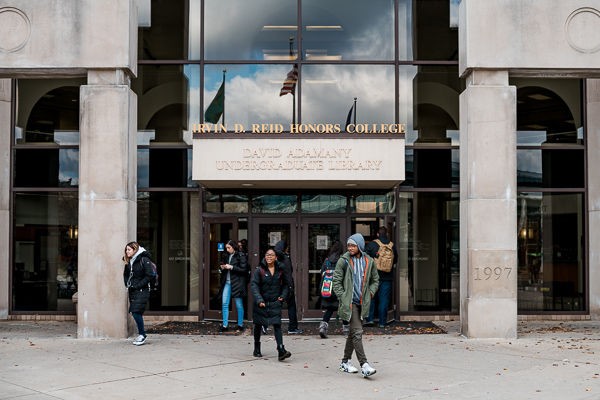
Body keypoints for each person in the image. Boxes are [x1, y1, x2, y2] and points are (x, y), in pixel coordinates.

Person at [332, 233, 379, 378]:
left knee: (353, 334)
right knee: (358, 332)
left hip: (362, 303)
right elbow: (336, 281)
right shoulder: (344, 261)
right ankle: (364, 365)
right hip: (350, 303)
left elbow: (375, 280)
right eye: (349, 245)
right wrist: (343, 298)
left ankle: (345, 362)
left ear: (360, 246)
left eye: (353, 245)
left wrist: (370, 293)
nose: (350, 248)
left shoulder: (369, 261)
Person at [251, 247, 292, 361]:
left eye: (271, 255)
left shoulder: (280, 269)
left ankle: (281, 350)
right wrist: (259, 300)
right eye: (267, 254)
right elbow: (254, 286)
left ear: (276, 257)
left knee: (277, 325)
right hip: (261, 302)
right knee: (258, 325)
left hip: (274, 301)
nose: (269, 257)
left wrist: (282, 297)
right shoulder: (260, 270)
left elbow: (285, 285)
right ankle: (257, 348)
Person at [364, 226, 398, 328]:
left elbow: (365, 260)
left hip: (373, 277)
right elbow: (395, 261)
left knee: (371, 298)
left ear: (377, 234)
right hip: (387, 277)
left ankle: (370, 319)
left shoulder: (371, 244)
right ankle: (382, 322)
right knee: (384, 299)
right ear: (386, 234)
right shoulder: (392, 246)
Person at [123, 241, 155, 346]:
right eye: (126, 249)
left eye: (129, 249)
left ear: (135, 250)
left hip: (142, 290)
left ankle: (142, 335)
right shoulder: (129, 261)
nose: (127, 251)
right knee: (137, 312)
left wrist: (138, 285)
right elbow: (126, 274)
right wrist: (128, 284)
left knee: (135, 311)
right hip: (132, 290)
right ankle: (141, 334)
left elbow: (149, 275)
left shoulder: (144, 260)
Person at [217, 240, 248, 332]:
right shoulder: (227, 256)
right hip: (227, 282)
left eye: (229, 248)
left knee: (238, 304)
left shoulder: (241, 255)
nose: (227, 250)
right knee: (225, 303)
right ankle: (225, 325)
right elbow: (226, 269)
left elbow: (244, 269)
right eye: (226, 248)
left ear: (234, 247)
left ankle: (240, 325)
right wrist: (223, 268)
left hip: (237, 283)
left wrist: (231, 267)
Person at [274, 240, 302, 334]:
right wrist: (291, 287)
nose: (288, 248)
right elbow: (288, 274)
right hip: (286, 287)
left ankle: (264, 325)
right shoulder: (285, 259)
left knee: (275, 307)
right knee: (291, 306)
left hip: (277, 286)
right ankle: (293, 328)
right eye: (287, 247)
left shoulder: (274, 258)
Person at [318, 240, 344, 338]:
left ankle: (323, 327)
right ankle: (347, 329)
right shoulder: (342, 260)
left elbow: (322, 273)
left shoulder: (327, 260)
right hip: (338, 288)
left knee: (330, 309)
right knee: (343, 307)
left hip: (328, 288)